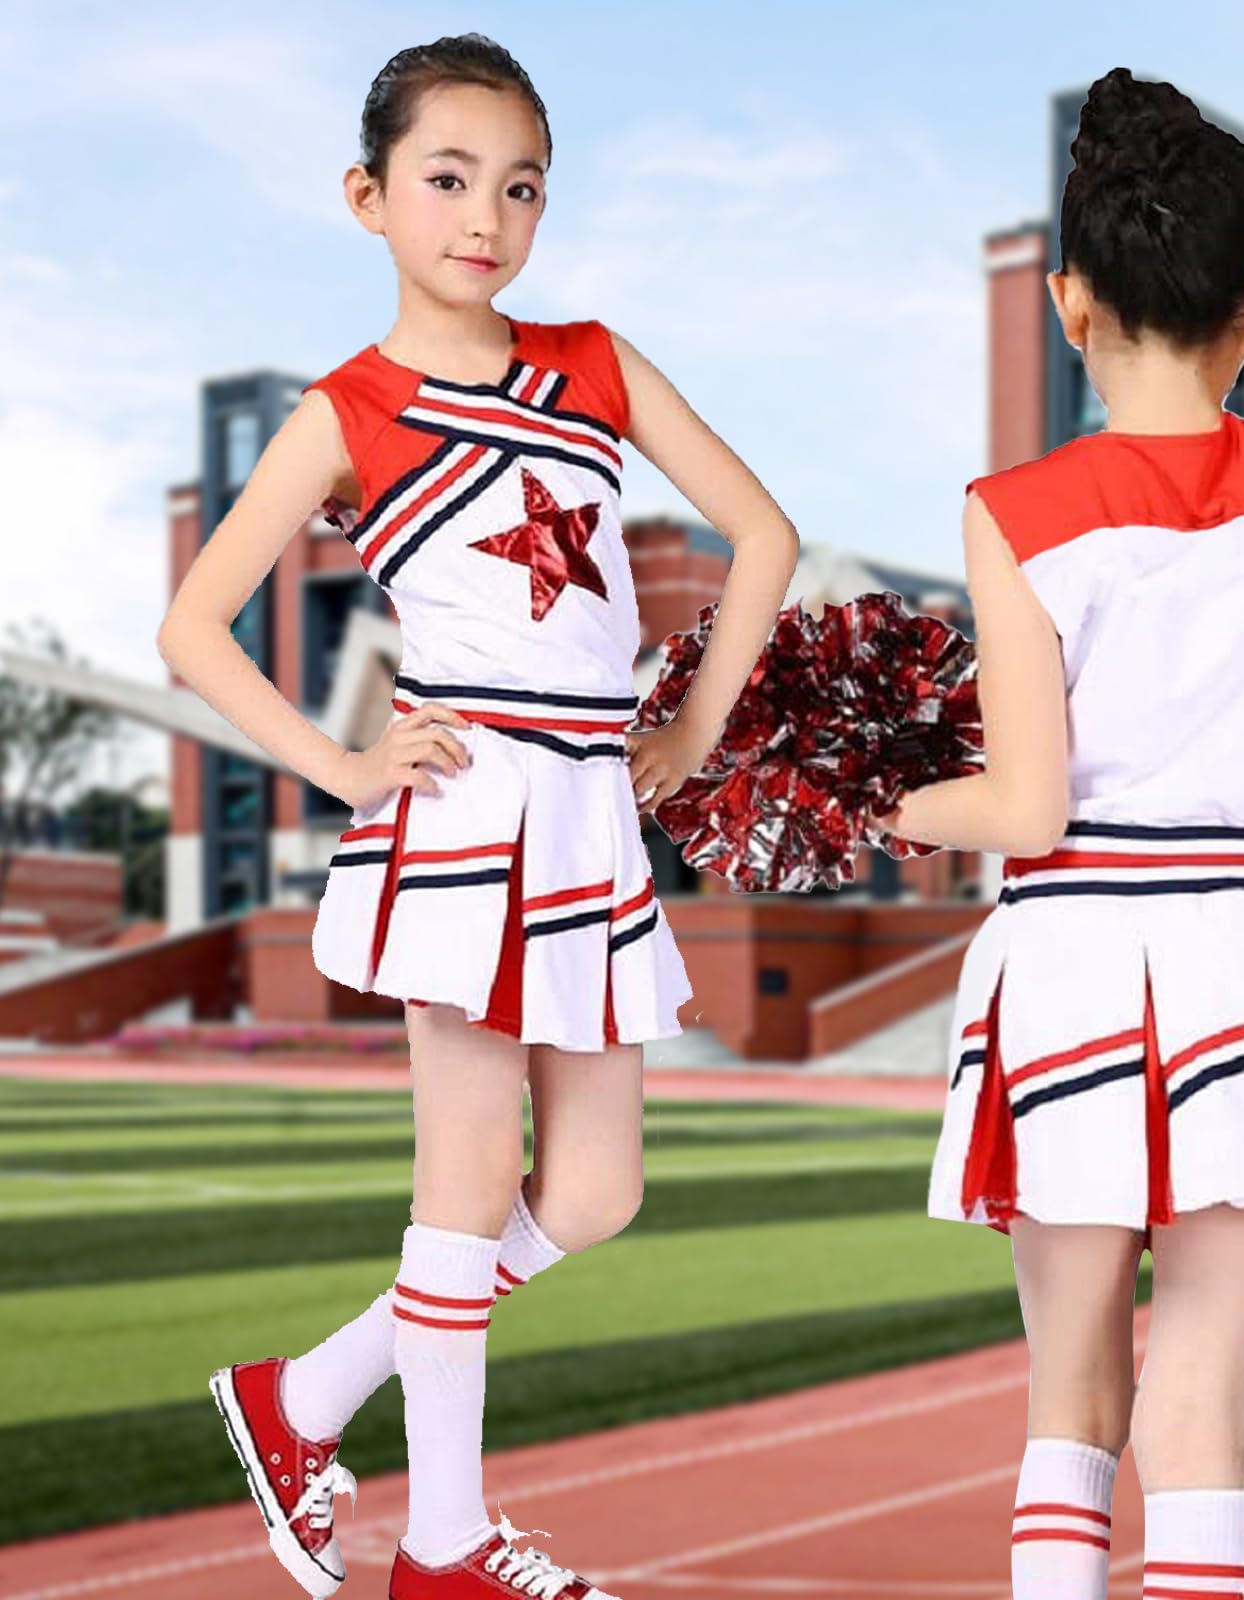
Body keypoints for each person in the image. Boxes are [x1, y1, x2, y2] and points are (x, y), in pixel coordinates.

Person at [158, 33, 798, 1600]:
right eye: (447, 181)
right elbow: (191, 628)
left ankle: (299, 1398)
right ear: (368, 196)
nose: (485, 219)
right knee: (460, 1189)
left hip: (590, 811)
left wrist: (695, 725)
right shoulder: (348, 412)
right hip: (461, 817)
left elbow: (765, 534)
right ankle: (442, 1550)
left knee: (594, 1193)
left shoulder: (593, 361)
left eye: (520, 188)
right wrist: (344, 764)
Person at [870, 9, 1244, 1595]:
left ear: (1069, 301)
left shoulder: (1015, 515)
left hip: (1069, 967)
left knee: (1073, 1398)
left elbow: (1029, 808)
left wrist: (880, 800)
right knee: (1203, 1393)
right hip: (1243, 965)